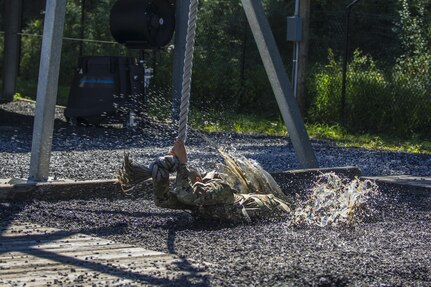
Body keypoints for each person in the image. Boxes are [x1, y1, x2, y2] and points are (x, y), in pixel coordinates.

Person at [118, 139, 291, 223]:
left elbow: (188, 195)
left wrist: (183, 164)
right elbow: (163, 200)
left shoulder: (221, 189)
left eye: (188, 178)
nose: (183, 178)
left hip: (277, 208)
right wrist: (160, 177)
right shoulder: (198, 199)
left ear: (199, 180)